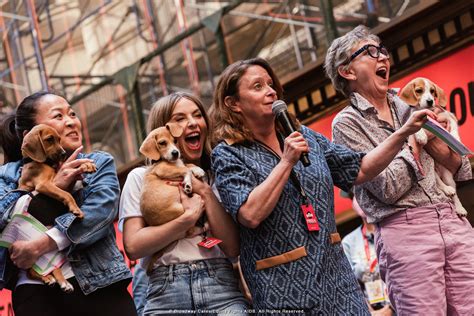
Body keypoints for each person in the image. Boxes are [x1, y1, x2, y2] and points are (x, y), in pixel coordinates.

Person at [209, 57, 432, 313]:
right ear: (233, 103)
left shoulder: (304, 136)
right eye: (257, 86)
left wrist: (402, 133)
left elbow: (359, 168)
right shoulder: (227, 154)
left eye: (271, 84)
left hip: (337, 281)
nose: (270, 91)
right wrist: (286, 162)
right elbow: (249, 214)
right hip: (283, 290)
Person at [326, 25, 474, 315]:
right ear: (348, 72)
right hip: (406, 232)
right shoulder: (346, 124)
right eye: (370, 52)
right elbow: (388, 188)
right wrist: (413, 140)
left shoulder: (412, 98)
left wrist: (431, 138)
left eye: (382, 50)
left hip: (453, 219)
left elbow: (460, 167)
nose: (382, 57)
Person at [0, 91, 137, 316]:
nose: (71, 121)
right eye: (58, 116)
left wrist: (41, 245)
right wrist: (55, 188)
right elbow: (3, 221)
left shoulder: (98, 163)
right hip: (37, 293)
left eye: (72, 114)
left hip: (99, 287)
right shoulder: (7, 176)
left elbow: (100, 216)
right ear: (31, 135)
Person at [119, 92, 249, 315]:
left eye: (197, 115)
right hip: (166, 288)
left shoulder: (219, 175)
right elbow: (133, 246)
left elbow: (232, 248)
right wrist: (186, 221)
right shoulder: (140, 177)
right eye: (179, 119)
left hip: (220, 286)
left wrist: (205, 192)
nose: (191, 123)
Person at [342, 196, 393, 316]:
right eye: (355, 195)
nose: (361, 199)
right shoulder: (349, 242)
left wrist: (390, 309)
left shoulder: (393, 230)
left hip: (401, 306)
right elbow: (350, 284)